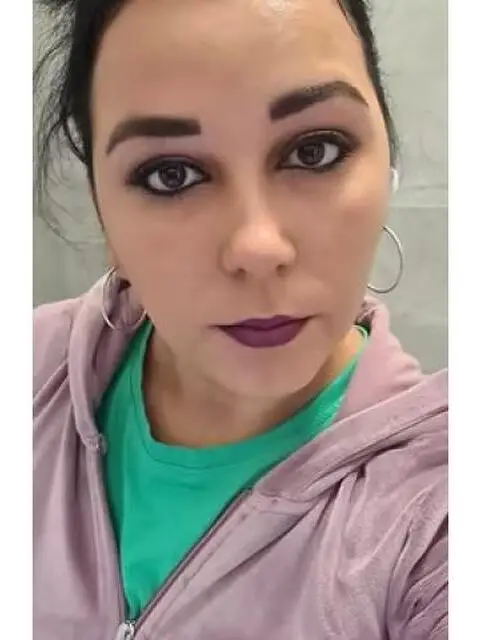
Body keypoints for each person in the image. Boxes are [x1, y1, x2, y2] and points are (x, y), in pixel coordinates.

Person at [33, 0, 448, 638]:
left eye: (315, 151)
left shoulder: (437, 507)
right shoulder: (32, 372)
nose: (258, 247)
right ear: (103, 211)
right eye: (171, 175)